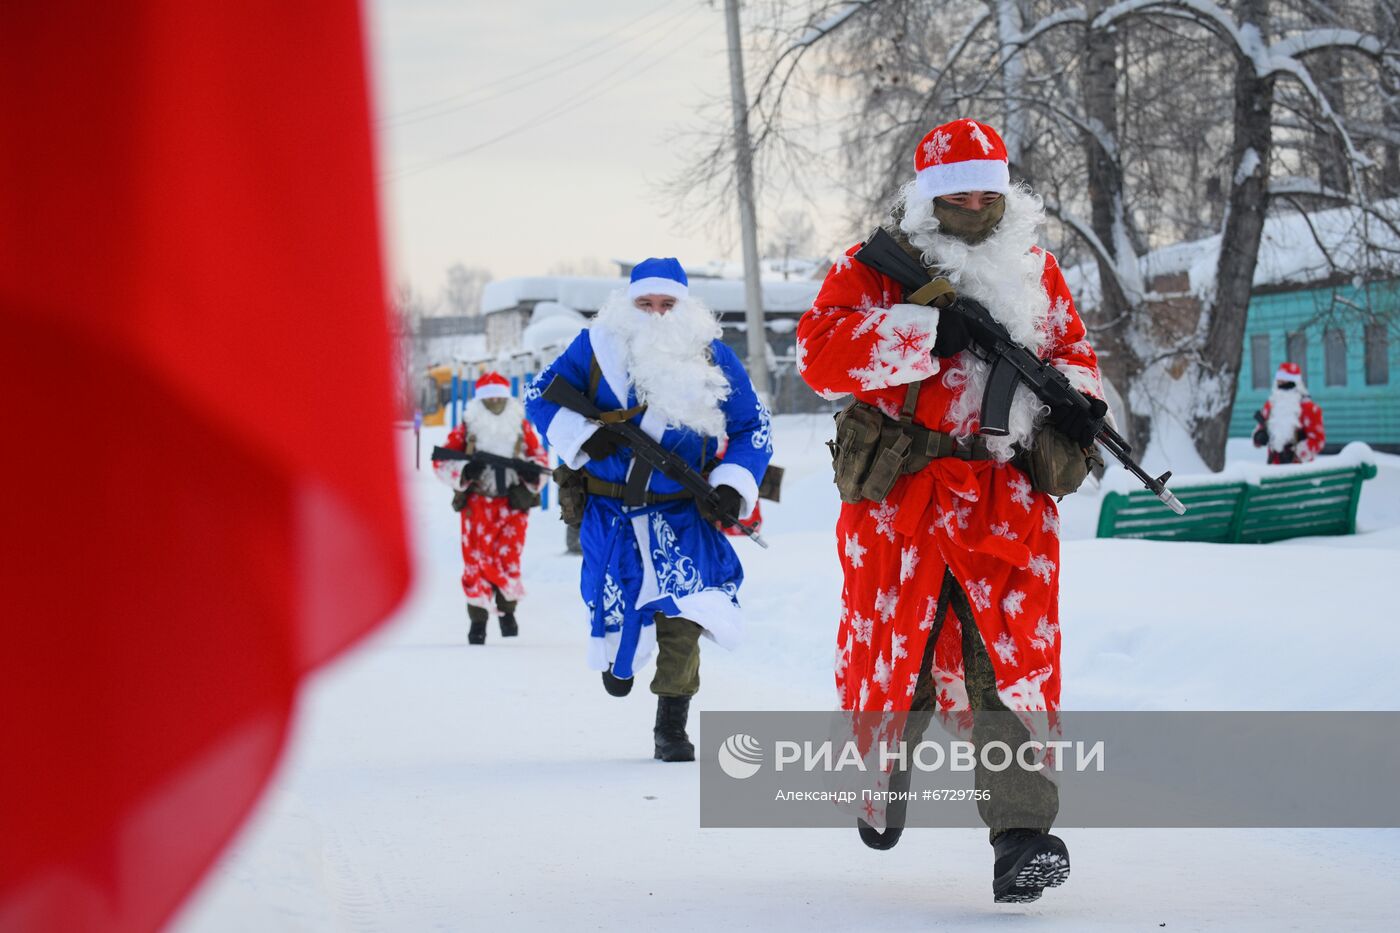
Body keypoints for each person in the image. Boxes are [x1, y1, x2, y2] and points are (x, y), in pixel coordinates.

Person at [797, 118, 1107, 902]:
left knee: (1008, 668)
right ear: (929, 196)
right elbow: (818, 354)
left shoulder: (1035, 267)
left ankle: (1022, 836)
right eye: (956, 194)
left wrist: (1080, 399)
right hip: (903, 502)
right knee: (899, 663)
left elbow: (1072, 351)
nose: (974, 205)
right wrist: (924, 331)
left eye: (986, 193)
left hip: (1006, 505)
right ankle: (880, 784)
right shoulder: (874, 267)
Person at [525, 257, 773, 762]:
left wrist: (732, 482)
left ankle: (671, 726)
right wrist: (580, 435)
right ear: (628, 304)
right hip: (611, 515)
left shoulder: (712, 354)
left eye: (667, 304)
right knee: (614, 609)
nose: (657, 313)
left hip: (683, 515)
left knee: (686, 615)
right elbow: (538, 397)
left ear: (685, 306)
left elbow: (753, 425)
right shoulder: (594, 348)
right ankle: (618, 664)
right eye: (646, 303)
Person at [434, 371, 549, 644]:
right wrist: (466, 469)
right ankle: (478, 621)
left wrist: (532, 473)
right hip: (477, 505)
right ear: (480, 401)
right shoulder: (468, 426)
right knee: (475, 562)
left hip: (512, 504)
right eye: (490, 398)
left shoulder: (520, 426)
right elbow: (441, 462)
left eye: (500, 397)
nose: (496, 402)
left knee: (509, 560)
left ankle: (508, 614)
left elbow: (539, 458)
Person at [1252, 361, 1325, 463]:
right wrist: (1259, 436)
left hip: (1299, 467)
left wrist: (1297, 452)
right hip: (1273, 465)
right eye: (1279, 380)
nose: (1280, 383)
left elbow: (1318, 440)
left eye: (1285, 380)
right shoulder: (1271, 405)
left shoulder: (1309, 408)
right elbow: (1260, 427)